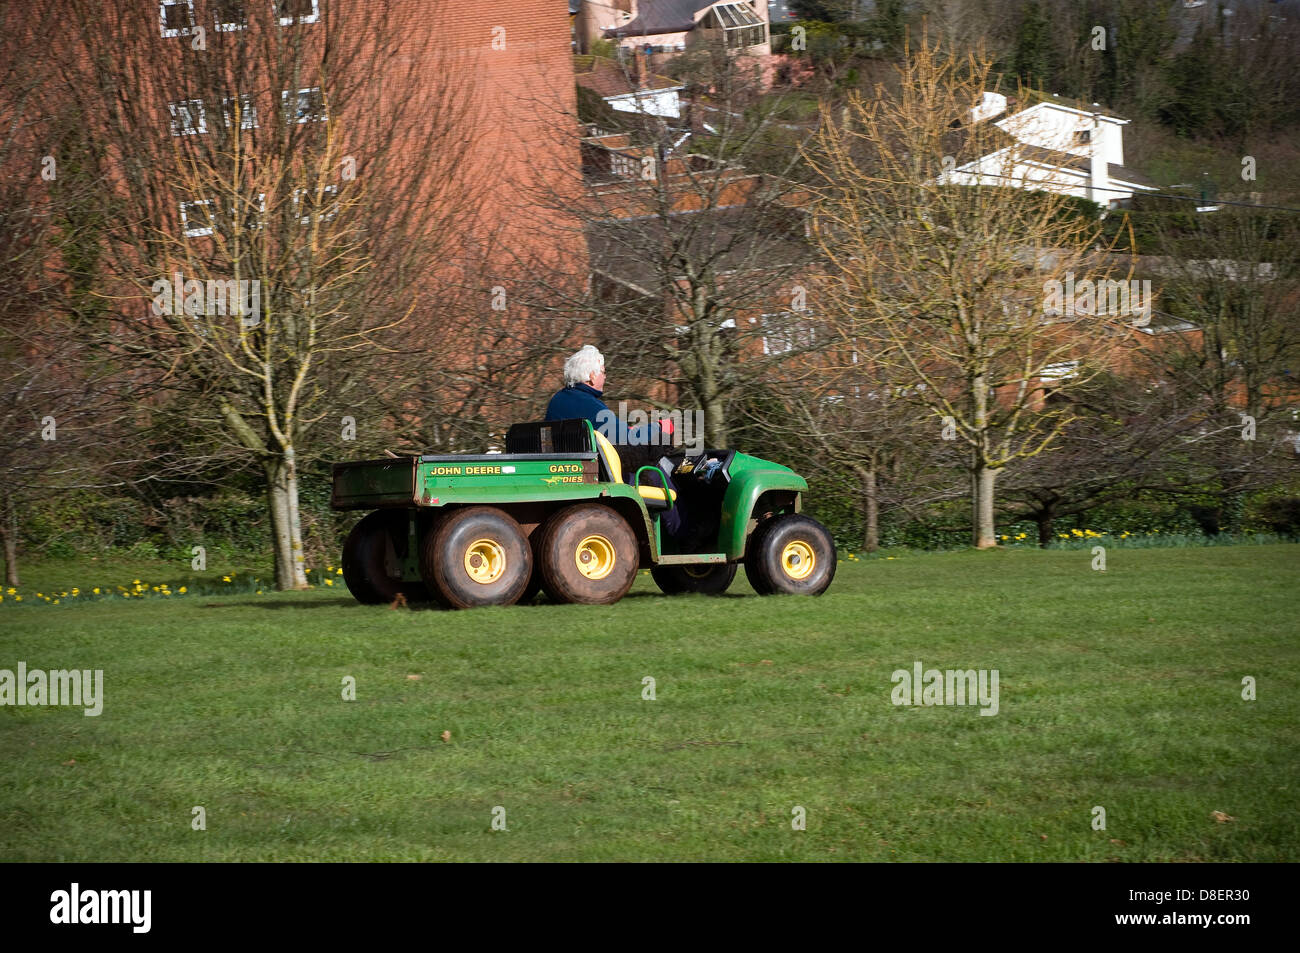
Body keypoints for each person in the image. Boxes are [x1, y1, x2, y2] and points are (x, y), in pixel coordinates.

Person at [545, 345, 684, 538]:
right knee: (657, 474)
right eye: (603, 372)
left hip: (578, 472)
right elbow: (629, 441)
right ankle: (681, 537)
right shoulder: (590, 405)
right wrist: (660, 428)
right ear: (592, 376)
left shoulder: (558, 400)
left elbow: (618, 433)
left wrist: (629, 430)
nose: (605, 376)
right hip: (604, 476)